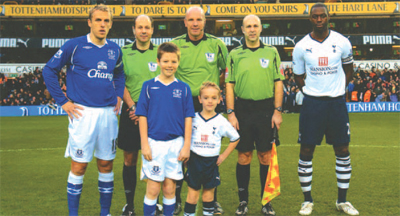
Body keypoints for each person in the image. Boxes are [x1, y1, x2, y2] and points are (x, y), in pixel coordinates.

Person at [42, 5, 125, 216]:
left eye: (106, 21)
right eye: (98, 20)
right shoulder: (74, 45)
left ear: (111, 24)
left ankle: (104, 213)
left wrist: (118, 94)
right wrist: (63, 101)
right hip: (82, 113)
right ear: (89, 22)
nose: (102, 25)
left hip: (108, 113)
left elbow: (119, 74)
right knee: (79, 166)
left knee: (106, 164)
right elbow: (49, 70)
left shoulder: (114, 49)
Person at [292, 3, 359, 216]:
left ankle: (342, 200)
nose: (319, 19)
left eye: (322, 16)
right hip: (312, 105)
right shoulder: (301, 46)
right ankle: (307, 201)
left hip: (336, 104)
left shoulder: (342, 42)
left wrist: (336, 88)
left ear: (329, 17)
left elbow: (349, 70)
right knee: (306, 151)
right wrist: (312, 91)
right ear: (310, 19)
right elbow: (298, 76)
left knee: (342, 151)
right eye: (315, 16)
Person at [170, 6, 229, 214]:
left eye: (199, 20)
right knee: (182, 152)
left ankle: (212, 201)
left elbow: (225, 71)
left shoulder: (217, 44)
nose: (195, 23)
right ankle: (176, 200)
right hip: (183, 106)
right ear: (185, 22)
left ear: (205, 22)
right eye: (191, 20)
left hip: (209, 105)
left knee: (210, 152)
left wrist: (211, 91)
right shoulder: (175, 44)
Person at [225, 14, 284, 216]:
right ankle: (243, 201)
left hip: (266, 109)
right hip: (243, 110)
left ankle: (266, 202)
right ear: (242, 29)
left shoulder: (272, 52)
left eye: (255, 26)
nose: (252, 29)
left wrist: (277, 111)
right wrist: (231, 113)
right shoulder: (234, 54)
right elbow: (229, 84)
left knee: (265, 155)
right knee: (244, 155)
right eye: (248, 26)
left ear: (261, 29)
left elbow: (278, 82)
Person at [135, 42, 195, 216]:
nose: (170, 65)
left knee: (170, 189)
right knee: (153, 189)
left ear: (178, 62)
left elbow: (188, 118)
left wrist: (186, 146)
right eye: (166, 61)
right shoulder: (148, 86)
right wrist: (144, 144)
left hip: (176, 144)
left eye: (173, 61)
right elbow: (142, 117)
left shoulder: (183, 88)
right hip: (154, 144)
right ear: (158, 61)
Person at [118, 15, 160, 216]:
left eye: (147, 27)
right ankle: (130, 205)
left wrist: (150, 110)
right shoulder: (124, 52)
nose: (143, 31)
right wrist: (133, 106)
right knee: (130, 158)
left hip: (157, 115)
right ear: (133, 30)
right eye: (140, 27)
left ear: (152, 30)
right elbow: (120, 81)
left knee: (155, 158)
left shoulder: (161, 53)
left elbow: (167, 80)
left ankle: (156, 203)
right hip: (131, 112)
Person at [183, 81, 240, 216]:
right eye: (206, 97)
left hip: (211, 162)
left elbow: (235, 138)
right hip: (195, 160)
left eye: (214, 98)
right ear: (200, 99)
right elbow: (185, 136)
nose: (210, 101)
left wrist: (222, 156)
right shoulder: (193, 118)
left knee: (209, 195)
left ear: (220, 100)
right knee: (192, 194)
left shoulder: (221, 121)